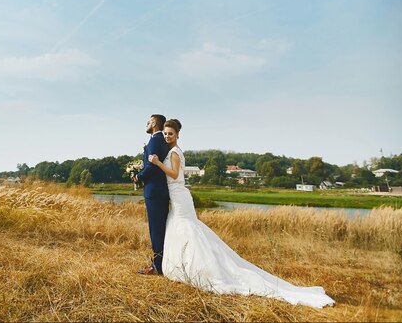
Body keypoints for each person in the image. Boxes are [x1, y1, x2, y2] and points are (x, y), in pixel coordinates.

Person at [148, 119, 335, 308]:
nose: (167, 136)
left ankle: (200, 268)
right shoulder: (174, 151)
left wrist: (156, 163)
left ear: (178, 135)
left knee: (187, 228)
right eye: (165, 133)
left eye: (170, 133)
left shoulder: (174, 152)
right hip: (178, 196)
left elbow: (173, 174)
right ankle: (184, 264)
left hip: (179, 195)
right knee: (184, 228)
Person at [133, 114, 170, 275]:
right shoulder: (160, 140)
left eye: (148, 122)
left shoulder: (155, 140)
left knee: (156, 229)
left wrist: (138, 176)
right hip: (159, 190)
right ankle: (161, 263)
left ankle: (158, 267)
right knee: (159, 228)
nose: (146, 124)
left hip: (154, 191)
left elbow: (152, 167)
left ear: (154, 123)